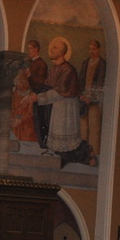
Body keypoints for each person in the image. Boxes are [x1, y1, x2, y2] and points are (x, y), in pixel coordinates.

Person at [30, 39, 94, 167]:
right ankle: (62, 159)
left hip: (66, 108)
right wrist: (35, 94)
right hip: (57, 107)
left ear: (61, 52)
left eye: (55, 48)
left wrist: (39, 98)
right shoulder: (54, 68)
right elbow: (47, 86)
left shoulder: (68, 70)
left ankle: (86, 155)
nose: (51, 50)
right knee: (58, 140)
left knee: (65, 140)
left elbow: (59, 92)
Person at [79, 40, 107, 158]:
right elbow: (81, 81)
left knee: (94, 128)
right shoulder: (85, 63)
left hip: (95, 101)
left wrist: (92, 98)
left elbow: (101, 84)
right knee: (83, 127)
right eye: (90, 49)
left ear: (99, 50)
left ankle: (93, 155)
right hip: (83, 100)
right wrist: (81, 95)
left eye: (94, 49)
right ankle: (83, 154)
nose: (91, 51)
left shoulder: (102, 64)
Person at [26, 39, 51, 149]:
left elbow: (40, 83)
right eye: (28, 49)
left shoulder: (41, 64)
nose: (30, 51)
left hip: (39, 95)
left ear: (37, 49)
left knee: (40, 120)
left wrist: (29, 76)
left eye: (31, 49)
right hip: (31, 94)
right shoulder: (30, 63)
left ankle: (42, 144)